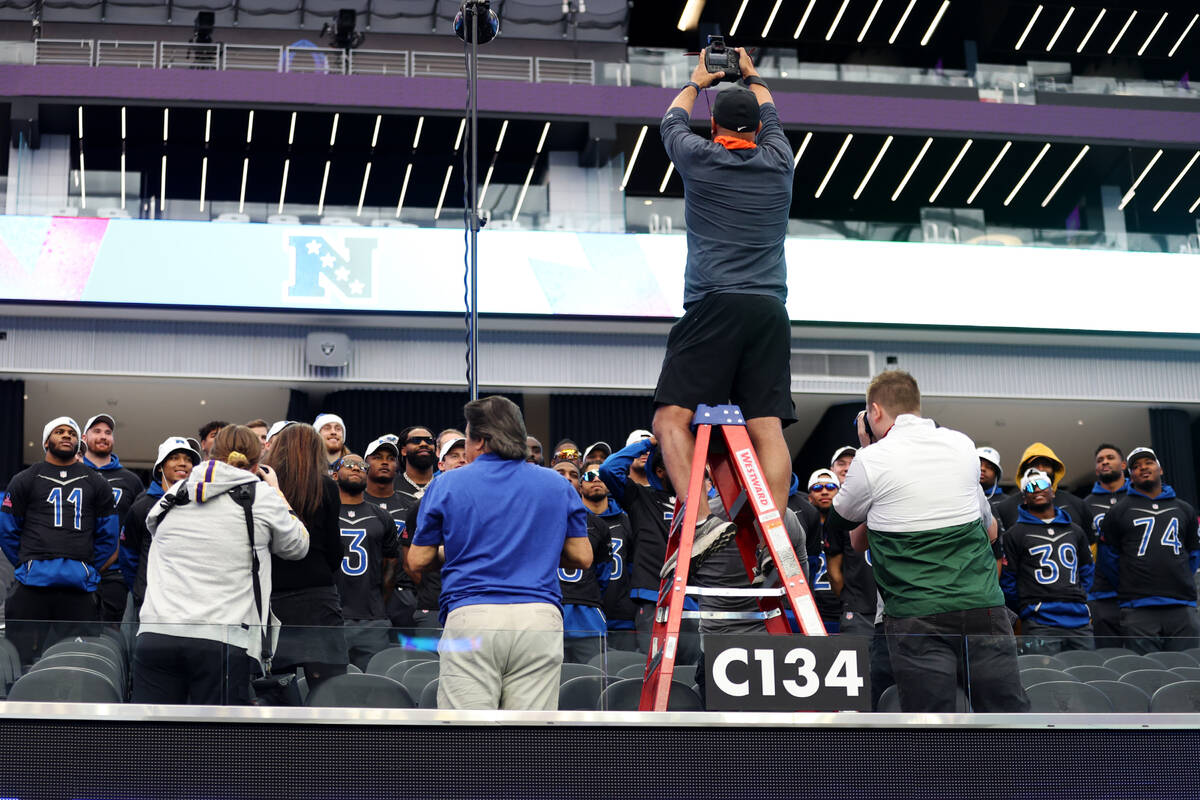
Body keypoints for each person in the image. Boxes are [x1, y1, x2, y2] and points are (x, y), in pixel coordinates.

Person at [652, 46, 796, 529]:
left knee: (670, 419)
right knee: (765, 425)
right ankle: (771, 524)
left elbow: (671, 120)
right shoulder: (780, 161)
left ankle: (696, 517)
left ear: (714, 127)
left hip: (715, 304)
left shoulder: (698, 156)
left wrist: (697, 82)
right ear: (757, 130)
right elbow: (771, 110)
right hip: (770, 309)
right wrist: (753, 75)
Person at [826, 371, 1029, 713]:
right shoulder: (962, 445)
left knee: (931, 726)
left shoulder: (871, 459)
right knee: (1006, 718)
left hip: (916, 615)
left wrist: (866, 449)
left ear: (874, 412)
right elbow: (991, 529)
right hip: (983, 607)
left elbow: (841, 527)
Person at [407, 395, 591, 710]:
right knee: (528, 740)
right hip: (538, 616)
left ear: (479, 441)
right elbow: (582, 556)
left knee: (468, 741)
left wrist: (454, 550)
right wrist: (535, 549)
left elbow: (417, 560)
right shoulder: (557, 485)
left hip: (472, 614)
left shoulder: (447, 484)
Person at [133, 425, 309, 704]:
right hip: (222, 640)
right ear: (257, 463)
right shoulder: (260, 496)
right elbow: (298, 546)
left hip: (157, 633)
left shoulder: (175, 493)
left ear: (211, 455)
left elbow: (153, 528)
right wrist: (277, 493)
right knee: (217, 743)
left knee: (154, 739)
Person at [0, 416, 118, 663]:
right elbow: (7, 531)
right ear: (45, 441)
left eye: (72, 434)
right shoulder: (25, 479)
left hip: (78, 589)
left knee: (76, 662)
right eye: (60, 432)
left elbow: (108, 535)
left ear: (78, 443)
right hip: (32, 585)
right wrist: (27, 563)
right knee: (21, 660)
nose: (67, 436)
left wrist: (86, 568)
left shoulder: (96, 481)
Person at [264, 422, 348, 690]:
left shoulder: (262, 488)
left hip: (272, 599)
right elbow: (335, 553)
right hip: (318, 599)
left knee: (275, 690)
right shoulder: (327, 487)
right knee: (329, 693)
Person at [1098, 447, 1200, 654]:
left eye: (1148, 463)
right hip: (1138, 607)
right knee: (1146, 674)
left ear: (1160, 469)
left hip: (1181, 604)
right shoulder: (1118, 512)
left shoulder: (1184, 509)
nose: (1143, 468)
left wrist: (1179, 576)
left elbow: (1194, 553)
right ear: (1130, 475)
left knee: (1188, 672)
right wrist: (1131, 582)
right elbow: (1107, 558)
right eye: (1136, 466)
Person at [1000, 469, 1095, 654]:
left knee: (1088, 675)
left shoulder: (1075, 530)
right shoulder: (1015, 534)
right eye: (1030, 487)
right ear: (1024, 498)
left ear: (1052, 491)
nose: (1037, 490)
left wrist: (1082, 600)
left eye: (1042, 485)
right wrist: (1026, 609)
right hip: (1039, 621)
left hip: (1079, 621)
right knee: (1046, 677)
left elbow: (1087, 570)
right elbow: (1008, 580)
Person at [333, 455, 400, 671]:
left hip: (372, 619)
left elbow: (390, 566)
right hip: (331, 617)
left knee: (374, 683)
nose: (356, 468)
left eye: (361, 466)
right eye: (349, 465)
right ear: (334, 475)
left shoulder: (382, 517)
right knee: (329, 686)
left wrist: (378, 603)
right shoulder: (324, 512)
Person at [119, 436, 201, 609]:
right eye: (174, 458)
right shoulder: (141, 505)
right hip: (148, 601)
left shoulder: (199, 504)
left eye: (188, 460)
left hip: (188, 601)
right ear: (160, 467)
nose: (183, 463)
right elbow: (128, 557)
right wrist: (141, 590)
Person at [399, 435, 469, 630]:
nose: (462, 460)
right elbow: (409, 562)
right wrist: (431, 588)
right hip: (433, 606)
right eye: (454, 456)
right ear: (441, 465)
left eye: (466, 455)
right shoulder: (422, 506)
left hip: (473, 603)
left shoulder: (489, 505)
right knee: (429, 661)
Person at [81, 413, 145, 624]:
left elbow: (138, 526)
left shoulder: (130, 480)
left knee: (111, 636)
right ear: (84, 438)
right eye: (97, 431)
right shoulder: (73, 474)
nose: (103, 436)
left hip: (115, 573)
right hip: (76, 569)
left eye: (108, 433)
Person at [552, 452, 611, 664]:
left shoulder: (598, 525)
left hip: (587, 617)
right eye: (559, 472)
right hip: (548, 614)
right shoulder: (534, 515)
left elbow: (604, 575)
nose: (567, 477)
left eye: (573, 474)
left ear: (579, 485)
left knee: (593, 684)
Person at [359, 434, 418, 629]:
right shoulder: (355, 502)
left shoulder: (411, 505)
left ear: (398, 465)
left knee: (406, 654)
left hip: (404, 592)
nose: (385, 462)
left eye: (390, 458)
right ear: (365, 464)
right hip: (363, 590)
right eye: (377, 457)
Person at [580, 466, 637, 651]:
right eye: (589, 476)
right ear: (580, 485)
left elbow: (634, 565)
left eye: (601, 476)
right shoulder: (573, 520)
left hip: (621, 616)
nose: (596, 479)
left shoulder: (626, 519)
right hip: (585, 615)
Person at [1084, 443, 1128, 648]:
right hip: (1100, 593)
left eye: (1110, 457)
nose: (1105, 462)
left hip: (1139, 591)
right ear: (1096, 469)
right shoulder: (1085, 505)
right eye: (1100, 460)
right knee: (1110, 658)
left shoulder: (1137, 499)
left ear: (1124, 464)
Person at [995, 443, 1089, 531]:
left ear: (1054, 469)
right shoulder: (1005, 508)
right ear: (1024, 471)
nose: (1040, 469)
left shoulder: (1077, 504)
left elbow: (1090, 544)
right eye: (1034, 465)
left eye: (1045, 464)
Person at [804, 468, 844, 633]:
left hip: (842, 609)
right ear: (809, 498)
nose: (825, 492)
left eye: (830, 487)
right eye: (818, 488)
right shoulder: (803, 530)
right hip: (811, 609)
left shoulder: (847, 531)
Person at [397, 426, 437, 501]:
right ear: (403, 451)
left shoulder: (445, 485)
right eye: (415, 440)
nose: (423, 444)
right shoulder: (390, 487)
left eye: (429, 441)